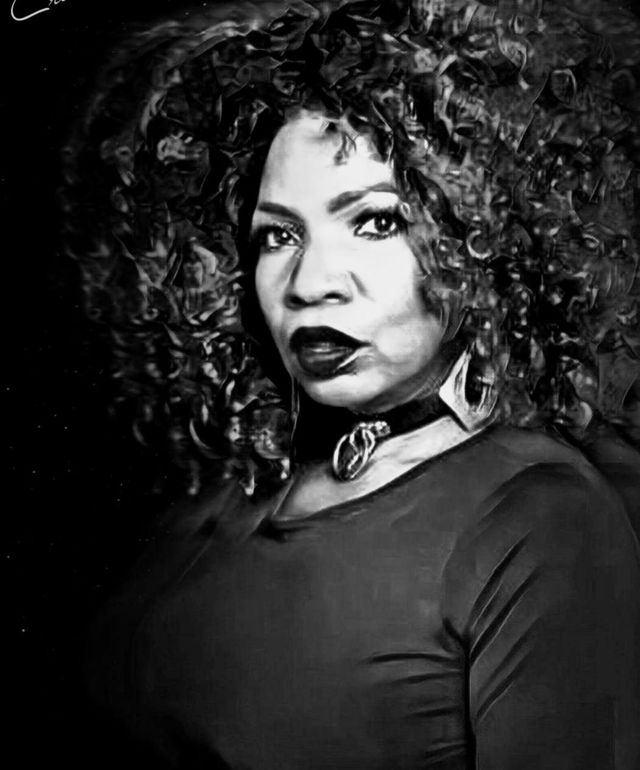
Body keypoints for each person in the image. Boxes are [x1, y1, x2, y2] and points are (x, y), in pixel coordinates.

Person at [64, 0, 640, 767]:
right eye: (278, 235)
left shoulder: (538, 521)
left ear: (489, 239)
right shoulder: (228, 492)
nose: (311, 283)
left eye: (375, 222)